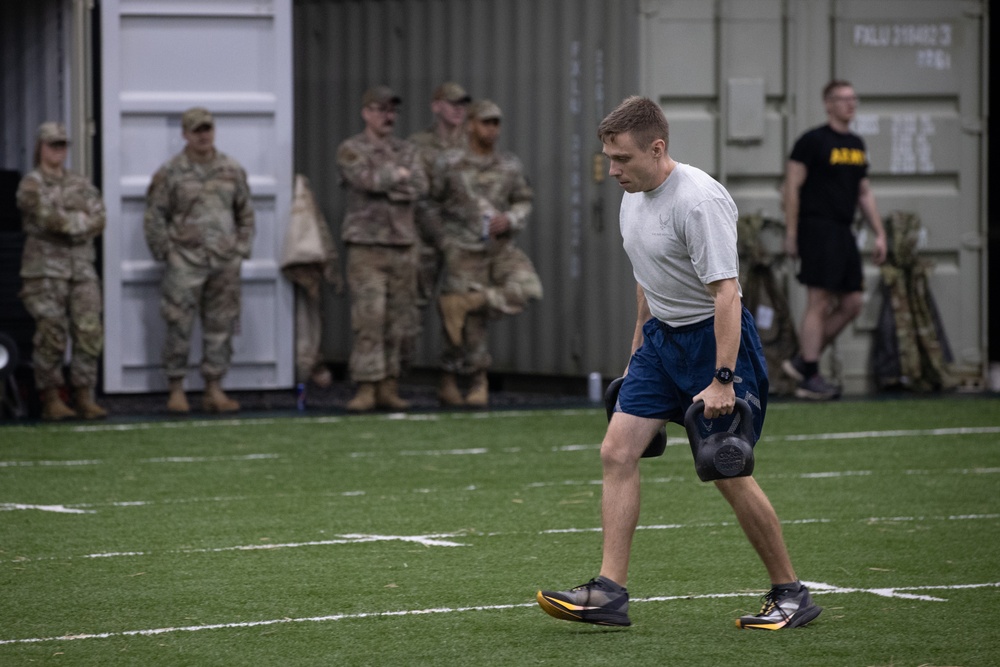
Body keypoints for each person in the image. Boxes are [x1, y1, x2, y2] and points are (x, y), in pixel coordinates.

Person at [536, 96, 821, 630]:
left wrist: (722, 380)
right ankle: (610, 593)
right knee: (617, 451)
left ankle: (791, 593)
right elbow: (648, 280)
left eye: (621, 158)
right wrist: (635, 352)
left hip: (712, 345)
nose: (612, 169)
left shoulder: (697, 202)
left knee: (725, 470)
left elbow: (727, 295)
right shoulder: (633, 196)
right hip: (660, 343)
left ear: (657, 147)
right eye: (609, 158)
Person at [430, 99, 542, 407]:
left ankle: (468, 302)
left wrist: (511, 219)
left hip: (499, 247)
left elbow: (523, 200)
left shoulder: (509, 165)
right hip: (462, 250)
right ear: (470, 125)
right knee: (465, 325)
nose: (492, 129)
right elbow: (429, 204)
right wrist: (444, 242)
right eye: (485, 122)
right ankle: (457, 380)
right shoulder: (449, 163)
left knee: (527, 289)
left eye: (496, 123)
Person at [144, 107, 254, 414]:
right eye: (197, 130)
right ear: (185, 134)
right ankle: (176, 389)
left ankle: (214, 388)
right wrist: (167, 252)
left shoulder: (231, 169)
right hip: (185, 261)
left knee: (220, 324)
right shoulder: (171, 172)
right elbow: (155, 216)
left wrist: (240, 249)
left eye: (207, 129)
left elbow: (245, 212)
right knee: (178, 324)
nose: (203, 135)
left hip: (223, 261)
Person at [782, 79, 887, 400]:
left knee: (853, 303)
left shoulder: (856, 144)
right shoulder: (812, 141)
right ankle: (809, 375)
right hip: (817, 228)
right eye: (842, 99)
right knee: (820, 300)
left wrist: (880, 233)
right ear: (828, 104)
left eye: (853, 99)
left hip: (844, 231)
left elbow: (864, 193)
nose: (850, 104)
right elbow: (791, 187)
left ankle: (803, 362)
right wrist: (792, 231)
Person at [336, 85, 428, 412]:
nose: (387, 116)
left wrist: (390, 180)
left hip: (403, 245)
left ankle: (390, 384)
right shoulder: (351, 148)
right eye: (380, 109)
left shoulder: (407, 150)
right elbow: (364, 180)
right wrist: (396, 177)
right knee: (369, 318)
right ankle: (366, 386)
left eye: (391, 110)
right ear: (366, 112)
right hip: (366, 247)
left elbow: (420, 185)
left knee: (400, 320)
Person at [16, 122, 108, 420]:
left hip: (81, 270)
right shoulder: (31, 184)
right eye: (53, 145)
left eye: (63, 145)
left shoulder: (80, 182)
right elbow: (47, 218)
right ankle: (52, 397)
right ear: (40, 147)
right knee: (51, 333)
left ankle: (84, 395)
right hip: (45, 271)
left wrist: (72, 223)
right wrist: (78, 222)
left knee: (89, 331)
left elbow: (100, 216)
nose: (59, 151)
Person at [408, 82, 472, 307]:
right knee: (412, 306)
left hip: (464, 237)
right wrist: (440, 236)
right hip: (426, 236)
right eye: (452, 104)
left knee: (462, 306)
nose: (459, 109)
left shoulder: (474, 143)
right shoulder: (417, 144)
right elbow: (416, 194)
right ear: (436, 107)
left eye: (463, 104)